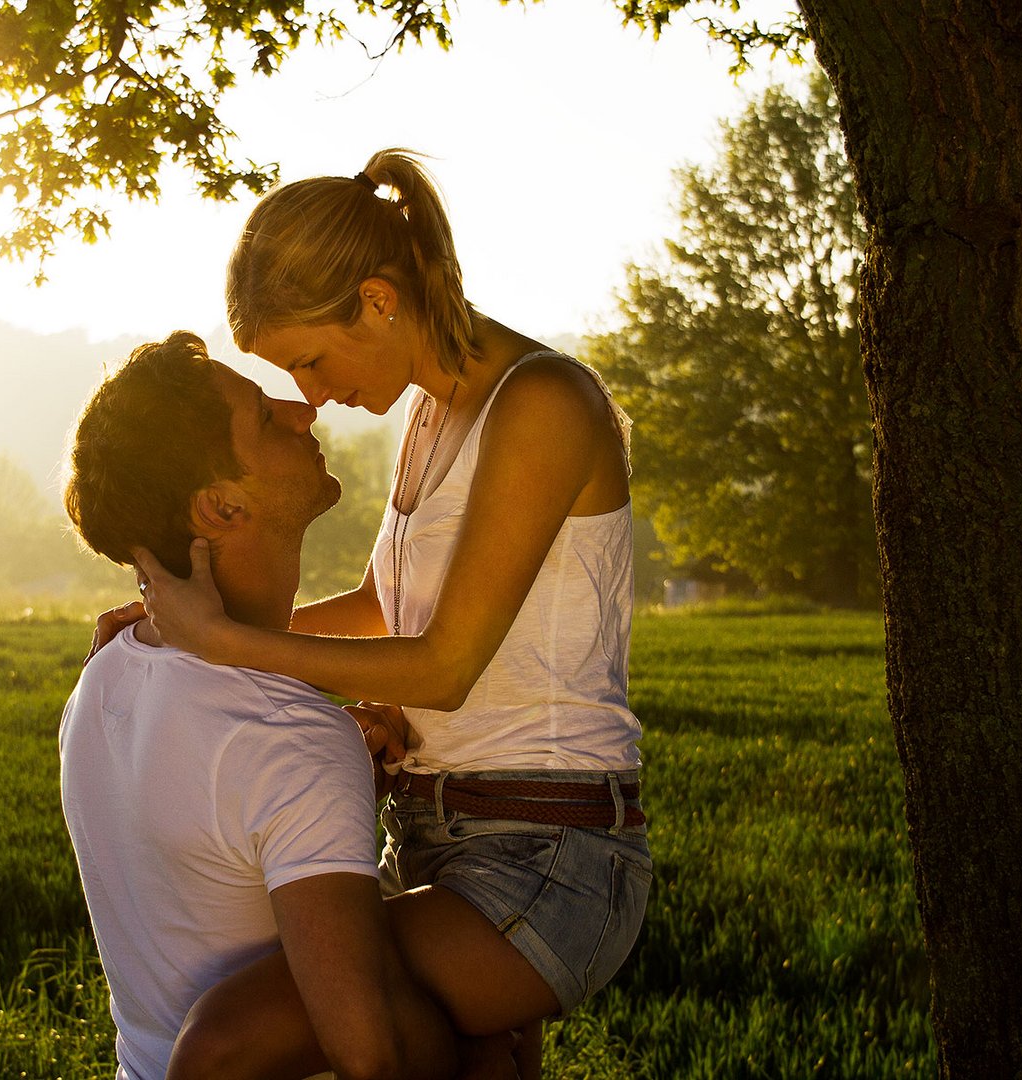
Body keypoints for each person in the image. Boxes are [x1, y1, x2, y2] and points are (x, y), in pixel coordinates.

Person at [124, 150, 652, 1078]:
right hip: (428, 833)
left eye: (311, 360)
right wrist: (169, 631)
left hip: (546, 858)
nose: (315, 396)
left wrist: (222, 641)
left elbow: (445, 665)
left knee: (225, 1045)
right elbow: (382, 607)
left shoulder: (542, 404)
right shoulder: (432, 415)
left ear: (376, 300)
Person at [59, 331, 472, 1080]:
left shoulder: (105, 674)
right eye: (263, 415)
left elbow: (210, 840)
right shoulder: (291, 737)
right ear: (221, 507)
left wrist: (334, 795)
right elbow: (374, 1054)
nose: (301, 409)